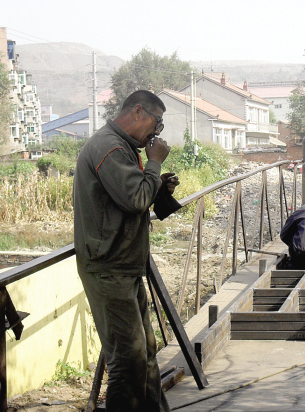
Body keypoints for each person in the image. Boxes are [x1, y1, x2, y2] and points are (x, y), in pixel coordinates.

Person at [74, 90, 179, 412]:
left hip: (124, 265)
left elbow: (133, 200)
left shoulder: (122, 147)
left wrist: (158, 184)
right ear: (137, 111)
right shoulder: (109, 147)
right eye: (156, 122)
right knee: (126, 359)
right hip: (108, 267)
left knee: (144, 352)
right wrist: (154, 164)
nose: (158, 132)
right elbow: (134, 199)